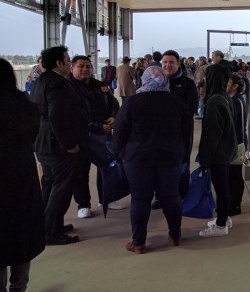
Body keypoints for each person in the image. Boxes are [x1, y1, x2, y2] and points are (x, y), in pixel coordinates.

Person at [113, 66, 192, 253]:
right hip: (170, 157)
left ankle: (138, 242)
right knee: (171, 197)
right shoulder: (176, 103)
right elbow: (186, 133)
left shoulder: (132, 103)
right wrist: (184, 155)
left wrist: (119, 155)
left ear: (145, 79)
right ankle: (175, 235)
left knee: (140, 199)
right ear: (164, 80)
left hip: (137, 159)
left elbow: (119, 133)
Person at [31, 46, 89, 245]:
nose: (69, 62)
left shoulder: (41, 80)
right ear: (60, 63)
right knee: (61, 189)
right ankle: (52, 233)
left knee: (49, 185)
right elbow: (58, 116)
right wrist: (69, 143)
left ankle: (48, 225)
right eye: (67, 59)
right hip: (58, 146)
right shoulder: (58, 84)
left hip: (43, 143)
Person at [0, 58, 44, 292]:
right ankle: (19, 286)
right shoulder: (25, 104)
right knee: (21, 236)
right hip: (22, 176)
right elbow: (33, 135)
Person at [68, 55, 121, 219]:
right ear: (72, 68)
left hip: (104, 135)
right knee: (81, 172)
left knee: (107, 167)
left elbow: (113, 102)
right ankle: (83, 204)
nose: (85, 69)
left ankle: (107, 198)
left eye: (88, 67)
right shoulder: (67, 88)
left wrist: (114, 116)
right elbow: (73, 115)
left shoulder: (100, 85)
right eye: (81, 66)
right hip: (81, 135)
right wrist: (98, 126)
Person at [152, 50, 198, 209]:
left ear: (178, 63)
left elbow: (191, 107)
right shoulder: (155, 82)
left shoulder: (187, 84)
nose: (167, 65)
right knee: (158, 165)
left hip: (181, 132)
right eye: (164, 62)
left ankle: (182, 195)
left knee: (182, 164)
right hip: (158, 133)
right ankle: (159, 196)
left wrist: (171, 115)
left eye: (171, 62)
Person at [197, 65, 237, 237]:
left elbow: (211, 135)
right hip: (227, 150)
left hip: (218, 154)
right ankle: (224, 217)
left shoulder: (214, 102)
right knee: (224, 186)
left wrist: (205, 158)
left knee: (221, 188)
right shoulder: (225, 97)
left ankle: (221, 225)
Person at [226, 74, 248, 217]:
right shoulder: (233, 100)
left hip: (236, 143)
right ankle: (231, 202)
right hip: (234, 142)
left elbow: (236, 125)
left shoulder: (236, 102)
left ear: (235, 86)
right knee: (230, 175)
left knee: (234, 175)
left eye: (227, 82)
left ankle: (235, 204)